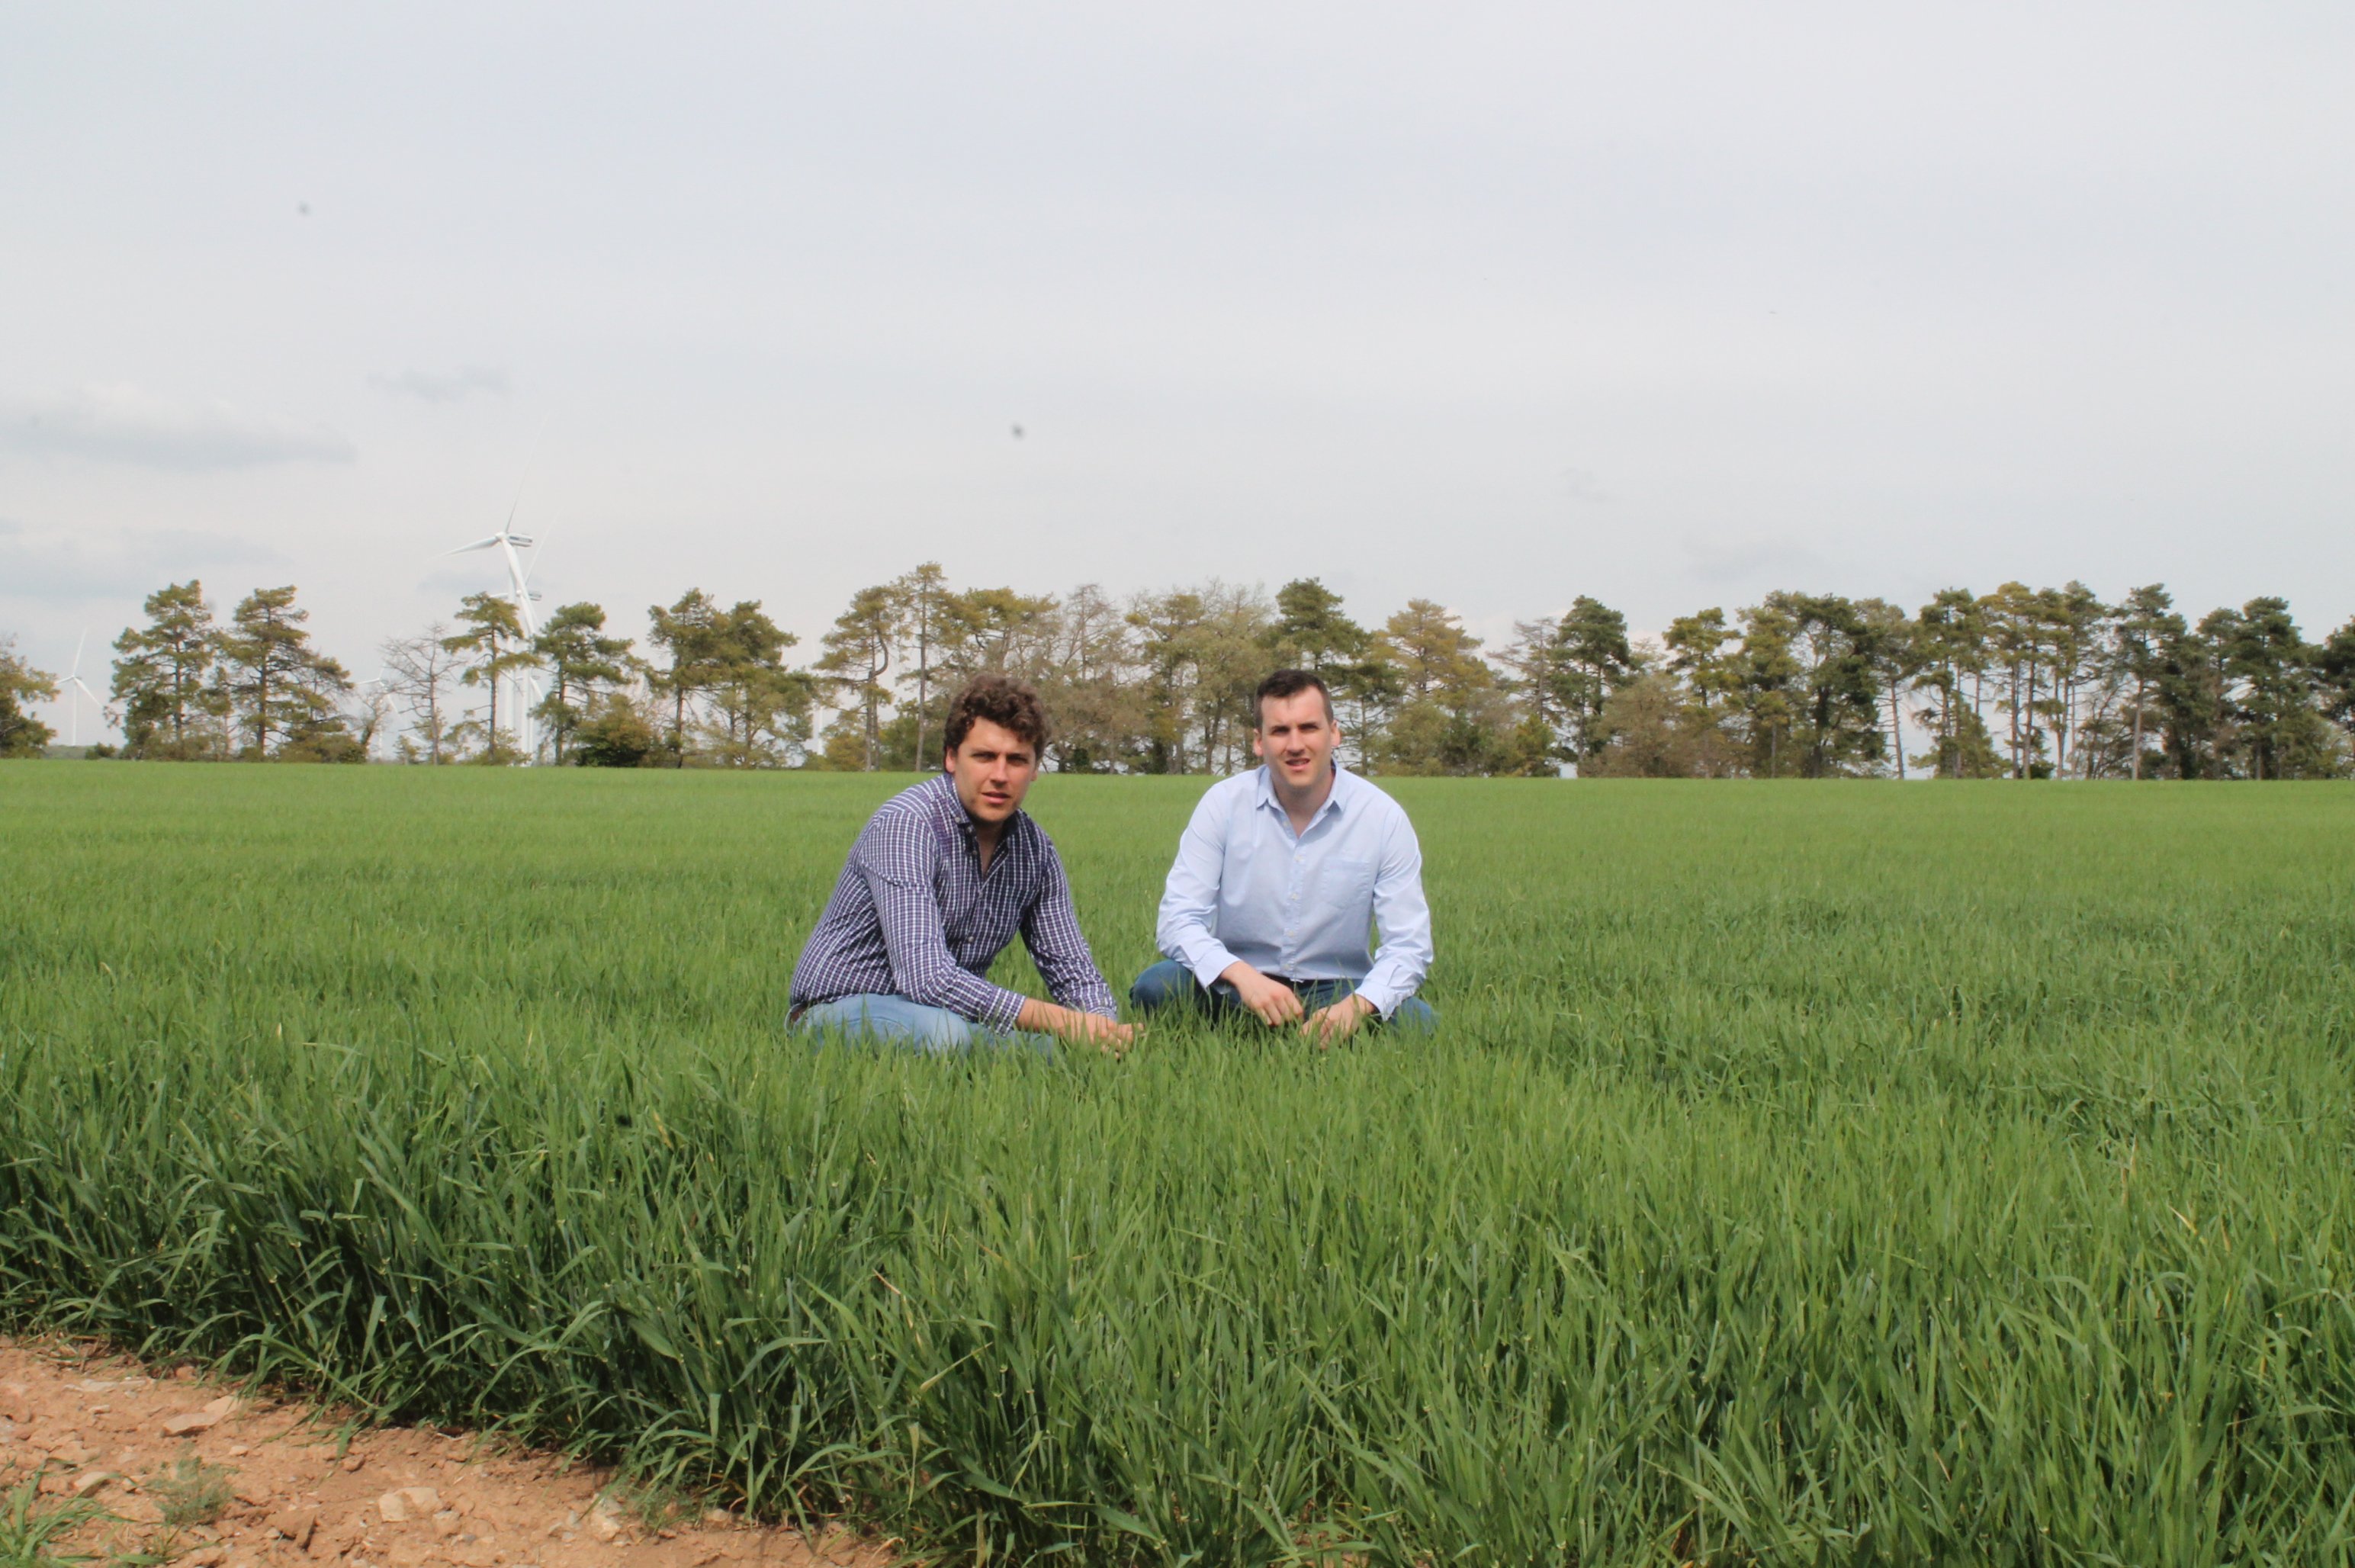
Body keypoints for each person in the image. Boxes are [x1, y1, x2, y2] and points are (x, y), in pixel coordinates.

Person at [789, 674, 1133, 1055]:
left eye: (1017, 760)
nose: (1000, 776)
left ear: (1035, 768)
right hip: (841, 1008)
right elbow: (927, 977)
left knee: (1072, 1057)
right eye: (984, 756)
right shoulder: (907, 825)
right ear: (951, 758)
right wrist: (1065, 1022)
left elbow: (1073, 967)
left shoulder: (1035, 851)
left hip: (947, 1016)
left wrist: (1102, 1027)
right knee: (946, 1036)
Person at [1132, 668, 1435, 1041]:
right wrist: (1243, 977)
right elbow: (1178, 920)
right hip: (1238, 985)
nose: (1295, 745)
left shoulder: (1382, 817)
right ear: (1259, 742)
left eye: (1308, 728)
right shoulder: (1223, 804)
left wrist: (1356, 1008)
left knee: (1419, 1026)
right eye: (1280, 731)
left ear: (1334, 733)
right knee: (1157, 986)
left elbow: (1409, 945)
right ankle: (1241, 1034)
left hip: (1336, 988)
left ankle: (1312, 1032)